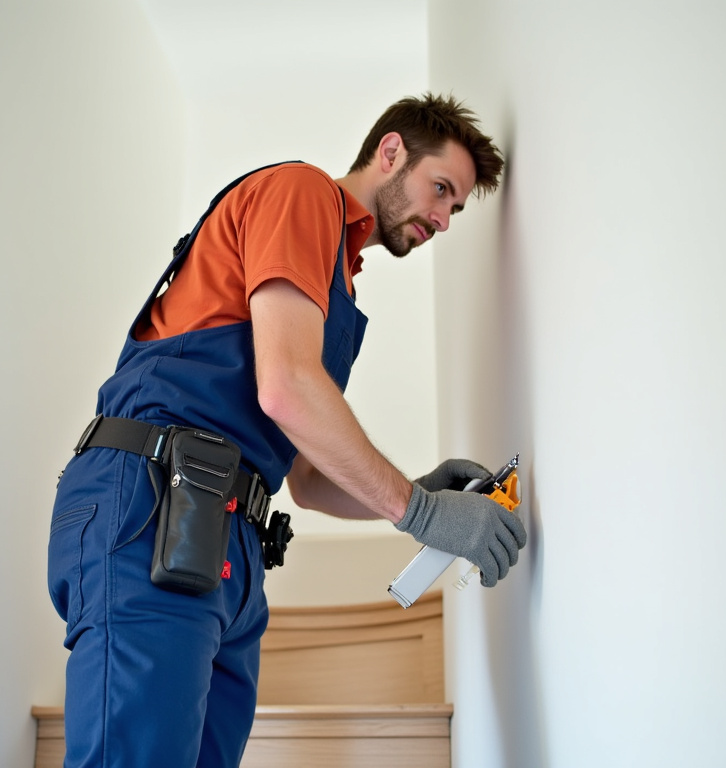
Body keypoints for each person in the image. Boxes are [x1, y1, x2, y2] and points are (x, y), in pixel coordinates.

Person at [47, 92, 527, 768]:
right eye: (441, 189)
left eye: (456, 208)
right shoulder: (303, 194)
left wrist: (421, 490)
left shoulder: (339, 285)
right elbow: (287, 389)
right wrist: (423, 513)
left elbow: (306, 480)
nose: (444, 219)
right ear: (391, 152)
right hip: (151, 503)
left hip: (226, 530)